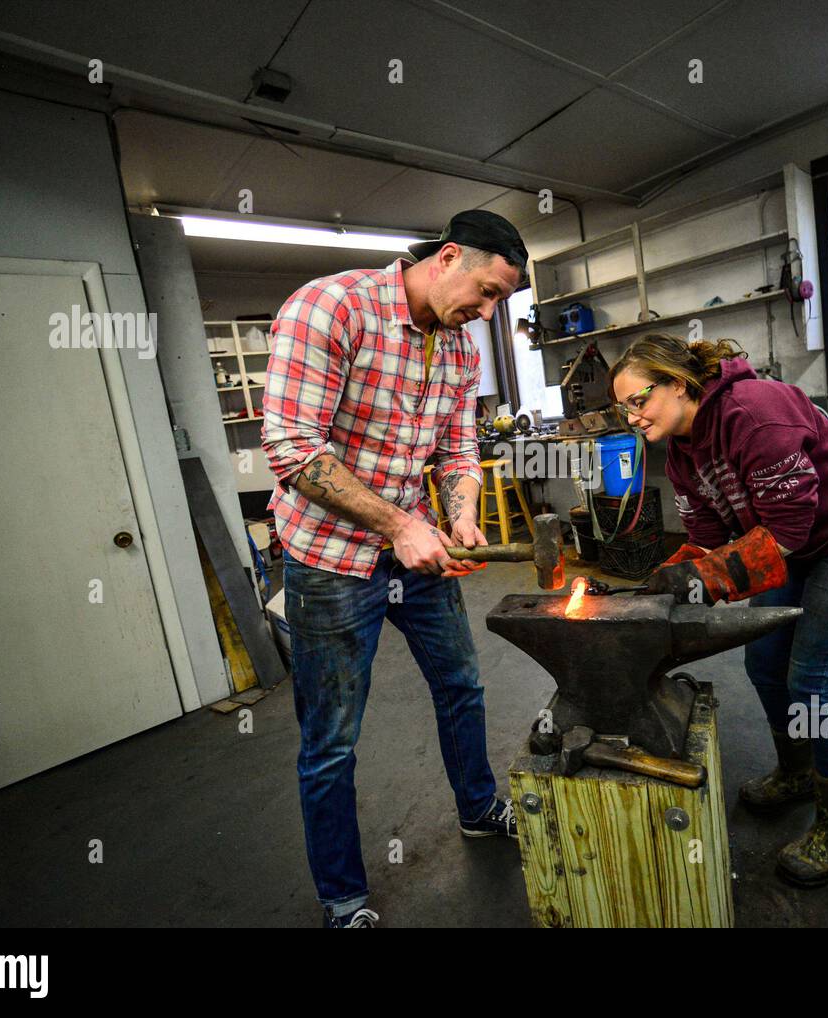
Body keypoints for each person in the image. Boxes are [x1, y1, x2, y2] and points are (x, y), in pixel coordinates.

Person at [262, 210, 529, 928]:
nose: (485, 312)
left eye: (499, 302)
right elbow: (291, 447)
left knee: (462, 687)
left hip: (413, 554)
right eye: (487, 291)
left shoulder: (460, 348)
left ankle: (477, 809)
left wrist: (463, 512)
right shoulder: (333, 307)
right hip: (328, 561)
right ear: (447, 257)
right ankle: (343, 899)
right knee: (332, 739)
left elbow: (457, 453)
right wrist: (400, 524)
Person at [610, 334, 828, 887]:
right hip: (791, 547)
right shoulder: (680, 453)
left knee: (811, 681)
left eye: (638, 400)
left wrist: (703, 578)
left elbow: (787, 532)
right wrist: (662, 584)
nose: (631, 417)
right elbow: (708, 539)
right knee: (764, 664)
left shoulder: (755, 413)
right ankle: (797, 773)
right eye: (621, 407)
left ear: (677, 384)